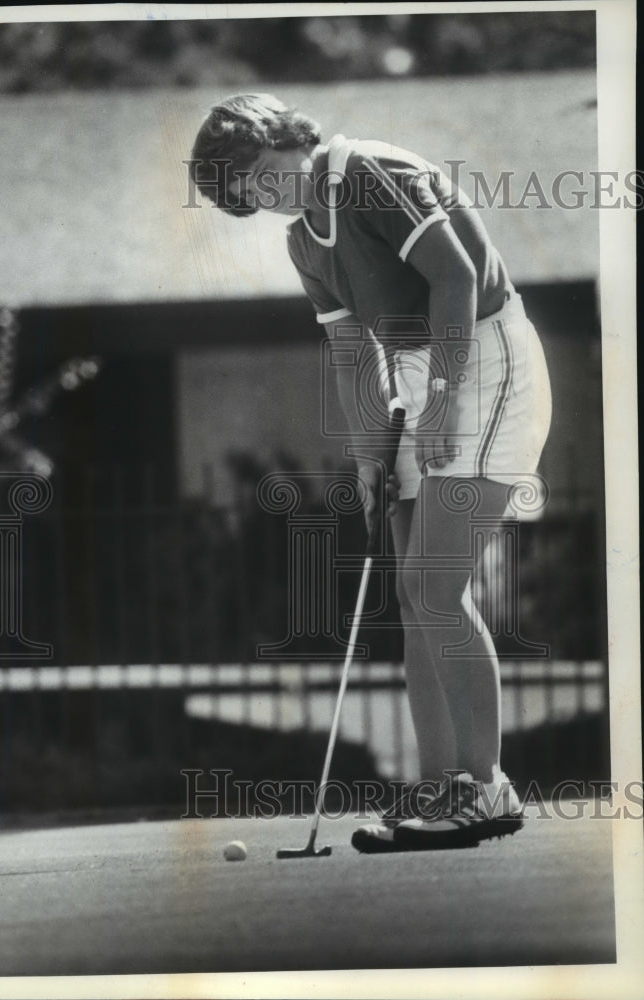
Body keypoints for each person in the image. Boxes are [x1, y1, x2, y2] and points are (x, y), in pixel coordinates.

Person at [189, 93, 552, 851]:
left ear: (286, 140)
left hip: (484, 359)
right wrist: (366, 454)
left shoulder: (365, 171)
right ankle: (440, 788)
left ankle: (484, 788)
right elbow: (354, 354)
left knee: (433, 586)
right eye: (247, 193)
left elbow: (454, 278)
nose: (263, 193)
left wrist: (445, 399)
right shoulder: (303, 243)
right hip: (418, 380)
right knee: (412, 595)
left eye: (259, 173)